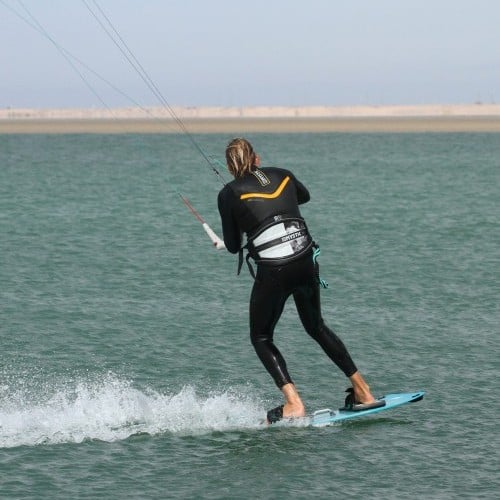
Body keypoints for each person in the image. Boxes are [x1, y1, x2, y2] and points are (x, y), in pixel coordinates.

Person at [217, 138, 384, 423]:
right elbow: (302, 196)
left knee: (261, 336)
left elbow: (233, 246)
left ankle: (293, 404)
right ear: (256, 158)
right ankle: (364, 392)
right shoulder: (282, 174)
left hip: (275, 270)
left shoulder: (228, 193)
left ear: (230, 167)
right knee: (316, 326)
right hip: (306, 260)